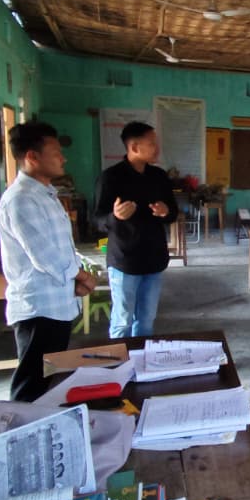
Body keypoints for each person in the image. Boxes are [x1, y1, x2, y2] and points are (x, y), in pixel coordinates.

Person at [0, 122, 96, 404]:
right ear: (32, 157)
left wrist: (73, 279)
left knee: (48, 379)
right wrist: (81, 276)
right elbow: (45, 256)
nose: (63, 159)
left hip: (56, 303)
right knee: (31, 385)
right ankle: (22, 427)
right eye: (56, 153)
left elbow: (62, 247)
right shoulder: (21, 200)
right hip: (38, 309)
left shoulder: (45, 194)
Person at [92, 121, 177, 339]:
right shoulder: (111, 177)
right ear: (134, 147)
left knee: (146, 320)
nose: (157, 148)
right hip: (125, 261)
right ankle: (120, 360)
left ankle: (141, 358)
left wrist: (166, 211)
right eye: (152, 143)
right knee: (123, 321)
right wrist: (115, 217)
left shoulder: (159, 176)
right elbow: (97, 220)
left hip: (154, 259)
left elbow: (174, 212)